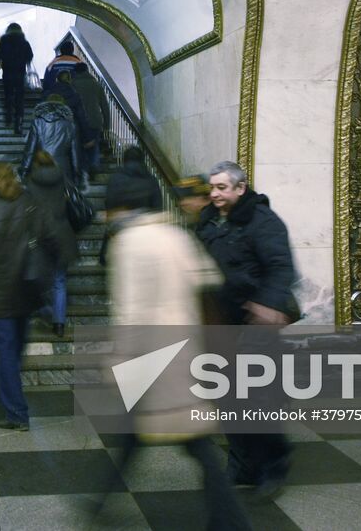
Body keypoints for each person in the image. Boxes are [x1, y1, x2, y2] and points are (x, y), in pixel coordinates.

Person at [98, 176, 251, 531]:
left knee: (166, 440)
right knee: (179, 441)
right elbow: (208, 277)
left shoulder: (129, 242)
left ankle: (232, 522)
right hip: (184, 354)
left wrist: (118, 360)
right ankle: (228, 521)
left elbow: (131, 313)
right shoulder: (175, 234)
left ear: (121, 207)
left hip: (150, 360)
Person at [196, 160, 298, 494]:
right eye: (212, 187)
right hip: (221, 323)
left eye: (222, 188)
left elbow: (281, 267)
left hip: (256, 323)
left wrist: (268, 304)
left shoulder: (263, 222)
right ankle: (241, 465)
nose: (214, 194)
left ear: (241, 188)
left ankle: (275, 461)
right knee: (227, 400)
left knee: (258, 399)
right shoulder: (208, 221)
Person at [0, 162, 59, 431]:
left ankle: (16, 413)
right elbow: (51, 236)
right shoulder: (30, 202)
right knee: (15, 350)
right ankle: (14, 396)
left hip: (1, 290)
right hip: (28, 288)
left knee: (6, 351)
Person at [25, 149, 76, 338]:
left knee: (39, 278)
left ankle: (45, 311)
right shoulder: (61, 177)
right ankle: (59, 323)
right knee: (60, 281)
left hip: (40, 235)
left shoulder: (31, 182)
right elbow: (70, 199)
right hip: (61, 234)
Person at [20, 93, 80, 185]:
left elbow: (30, 151)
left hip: (41, 167)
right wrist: (76, 177)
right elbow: (74, 155)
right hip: (63, 170)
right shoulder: (70, 125)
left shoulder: (37, 123)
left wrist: (24, 172)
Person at [0, 23, 34, 133]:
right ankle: (18, 123)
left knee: (8, 95)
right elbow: (30, 56)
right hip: (20, 74)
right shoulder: (24, 42)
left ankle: (9, 116)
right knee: (19, 98)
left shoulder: (4, 41)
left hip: (8, 73)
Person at [70, 63, 108, 179]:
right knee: (94, 147)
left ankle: (83, 172)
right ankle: (94, 168)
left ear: (75, 72)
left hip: (78, 121)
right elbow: (105, 106)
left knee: (80, 147)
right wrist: (107, 125)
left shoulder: (72, 85)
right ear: (87, 71)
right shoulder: (96, 84)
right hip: (95, 120)